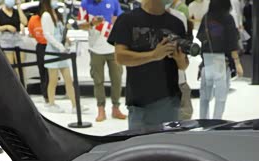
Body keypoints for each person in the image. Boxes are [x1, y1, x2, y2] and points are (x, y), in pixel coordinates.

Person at [108, 0, 190, 129]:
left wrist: (179, 58)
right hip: (139, 103)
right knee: (141, 141)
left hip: (169, 101)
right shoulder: (127, 20)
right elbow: (120, 57)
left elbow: (184, 65)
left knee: (168, 141)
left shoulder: (176, 23)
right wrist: (153, 55)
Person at [80, 0, 126, 121]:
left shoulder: (113, 2)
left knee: (117, 80)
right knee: (98, 81)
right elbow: (80, 25)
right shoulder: (85, 4)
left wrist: (117, 21)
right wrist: (92, 23)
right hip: (95, 49)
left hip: (113, 48)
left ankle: (116, 108)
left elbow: (121, 18)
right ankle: (101, 109)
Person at [198, 0, 243, 119]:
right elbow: (232, 43)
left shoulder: (206, 18)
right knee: (220, 98)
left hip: (207, 61)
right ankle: (216, 122)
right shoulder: (228, 18)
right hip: (222, 62)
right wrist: (237, 63)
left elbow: (201, 37)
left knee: (204, 98)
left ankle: (203, 121)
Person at [41, 0, 79, 113]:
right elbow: (47, 35)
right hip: (52, 52)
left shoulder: (57, 13)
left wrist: (66, 41)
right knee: (53, 80)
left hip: (61, 52)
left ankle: (75, 105)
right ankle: (51, 104)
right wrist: (59, 46)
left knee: (69, 79)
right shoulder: (46, 15)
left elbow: (61, 32)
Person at [167, 0, 194, 120]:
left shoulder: (179, 17)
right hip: (156, 84)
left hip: (179, 80)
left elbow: (183, 47)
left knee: (184, 117)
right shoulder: (138, 18)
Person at [0, 0, 28, 75]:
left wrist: (19, 7)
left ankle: (22, 81)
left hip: (17, 38)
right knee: (11, 66)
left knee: (21, 65)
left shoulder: (16, 12)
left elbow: (25, 22)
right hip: (5, 39)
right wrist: (6, 27)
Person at [28, 10, 50, 103]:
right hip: (41, 46)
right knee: (42, 71)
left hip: (51, 46)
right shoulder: (33, 19)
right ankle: (46, 95)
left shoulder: (51, 17)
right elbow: (31, 34)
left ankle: (50, 94)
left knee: (50, 72)